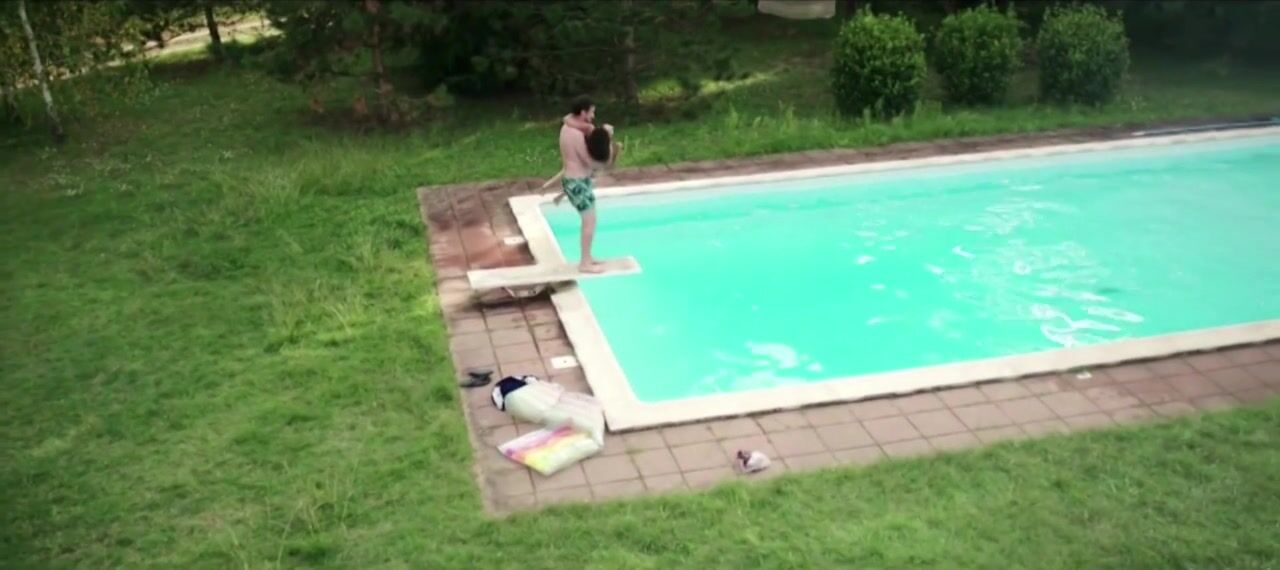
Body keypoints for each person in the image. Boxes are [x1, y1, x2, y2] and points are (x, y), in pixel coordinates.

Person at [542, 97, 622, 273]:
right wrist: (608, 141)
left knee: (589, 221)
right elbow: (590, 162)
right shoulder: (575, 134)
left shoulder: (568, 127)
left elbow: (571, 120)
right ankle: (584, 263)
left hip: (578, 181)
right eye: (591, 112)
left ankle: (588, 257)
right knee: (589, 222)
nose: (593, 116)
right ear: (583, 112)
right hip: (577, 183)